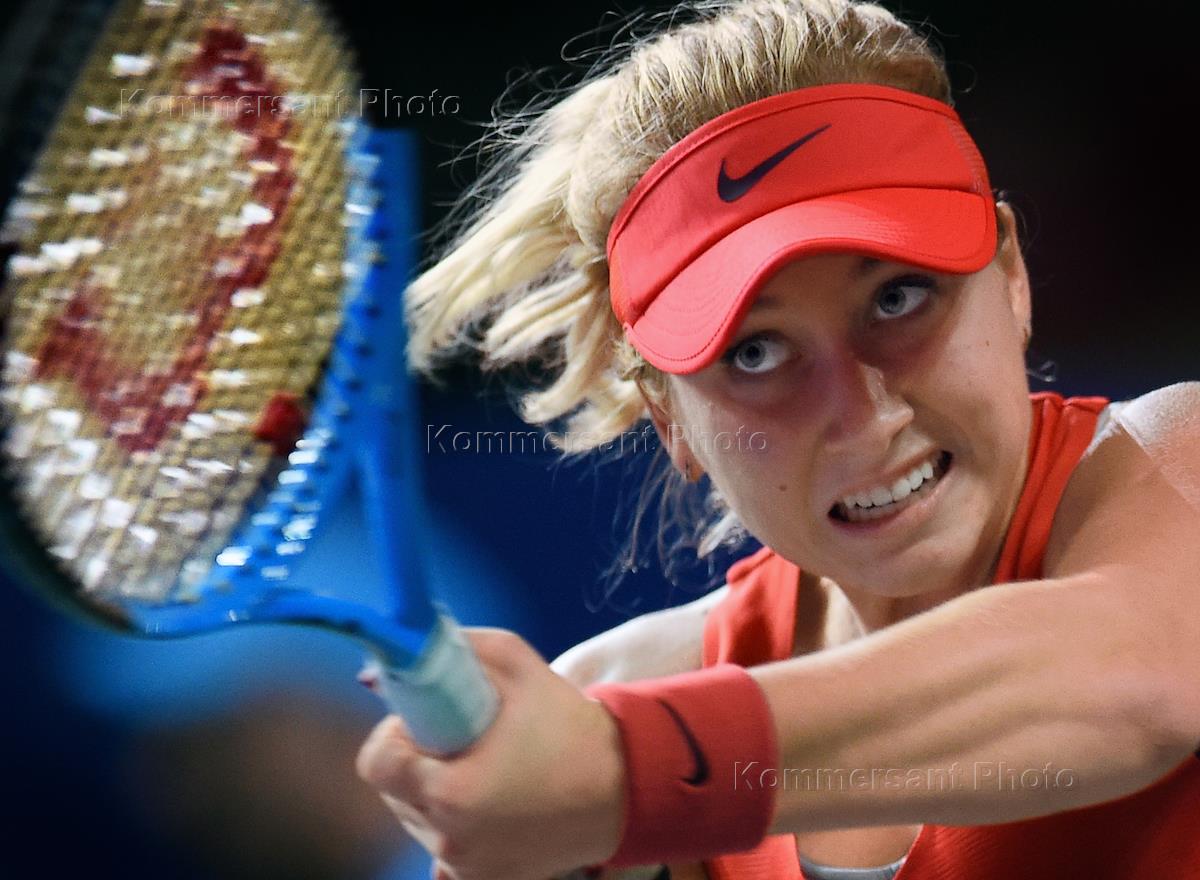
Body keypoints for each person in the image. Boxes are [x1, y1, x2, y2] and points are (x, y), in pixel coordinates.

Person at [355, 1, 1200, 878]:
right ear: (670, 420)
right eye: (755, 353)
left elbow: (1136, 676)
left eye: (898, 297)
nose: (861, 414)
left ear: (1011, 276)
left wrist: (629, 769)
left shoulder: (1183, 468)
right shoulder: (625, 692)